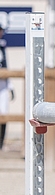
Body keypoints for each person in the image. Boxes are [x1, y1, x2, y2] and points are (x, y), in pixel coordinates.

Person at [0, 16, 11, 151]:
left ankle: (1, 143)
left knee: (4, 112)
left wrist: (11, 86)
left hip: (3, 84)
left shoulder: (2, 47)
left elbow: (7, 66)